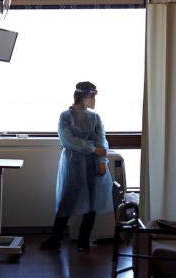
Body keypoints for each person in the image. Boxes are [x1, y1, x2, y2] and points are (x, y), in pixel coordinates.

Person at [40, 81, 113, 252]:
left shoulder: (95, 117)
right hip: (73, 163)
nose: (94, 100)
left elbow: (101, 139)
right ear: (82, 96)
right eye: (92, 96)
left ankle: (83, 239)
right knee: (67, 199)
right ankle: (55, 238)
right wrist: (93, 148)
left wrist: (102, 162)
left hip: (93, 163)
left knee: (92, 202)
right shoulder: (66, 116)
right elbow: (68, 140)